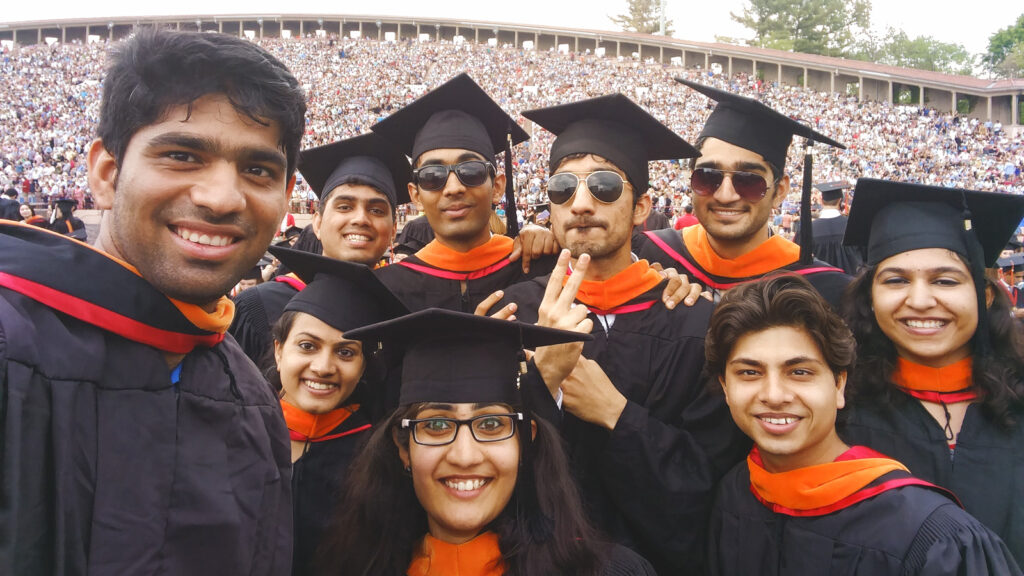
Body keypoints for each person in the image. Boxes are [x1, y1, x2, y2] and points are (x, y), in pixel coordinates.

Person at [0, 28, 306, 574]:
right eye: (183, 155)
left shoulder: (253, 403)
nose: (222, 197)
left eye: (258, 170)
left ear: (285, 201)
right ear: (107, 174)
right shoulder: (12, 349)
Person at [497, 94, 740, 575]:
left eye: (605, 186)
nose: (581, 204)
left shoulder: (694, 323)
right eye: (562, 188)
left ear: (642, 207)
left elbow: (710, 485)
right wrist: (538, 384)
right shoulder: (511, 314)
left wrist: (617, 415)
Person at [705, 274, 1021, 575]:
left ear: (839, 384)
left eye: (800, 372)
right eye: (749, 372)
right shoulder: (734, 494)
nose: (774, 395)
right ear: (725, 387)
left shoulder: (933, 535)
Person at [323, 308, 657, 575]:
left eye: (492, 424)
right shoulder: (357, 567)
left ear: (525, 443)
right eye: (437, 424)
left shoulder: (605, 570)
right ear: (403, 448)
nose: (465, 456)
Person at [839, 178, 1024, 564]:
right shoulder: (840, 414)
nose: (920, 301)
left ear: (985, 295)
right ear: (871, 297)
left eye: (944, 280)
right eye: (896, 280)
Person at [635, 78, 850, 306]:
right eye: (708, 176)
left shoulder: (824, 291)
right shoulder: (648, 257)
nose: (725, 195)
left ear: (780, 190)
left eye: (748, 180)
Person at [265, 246, 408, 576]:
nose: (324, 367)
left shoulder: (379, 457)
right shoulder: (235, 434)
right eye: (307, 346)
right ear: (278, 350)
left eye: (345, 352)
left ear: (362, 366)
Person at [370, 73, 562, 313]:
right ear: (415, 195)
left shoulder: (542, 271)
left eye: (470, 171)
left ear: (498, 187)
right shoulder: (387, 290)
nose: (453, 188)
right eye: (432, 176)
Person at [229, 132, 410, 367]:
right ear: (317, 223)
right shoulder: (259, 306)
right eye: (345, 206)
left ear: (394, 229)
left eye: (376, 210)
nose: (360, 219)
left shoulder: (402, 313)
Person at [811, 181, 863, 275]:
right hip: (852, 285)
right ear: (840, 200)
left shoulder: (808, 230)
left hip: (818, 286)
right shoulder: (854, 226)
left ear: (821, 201)